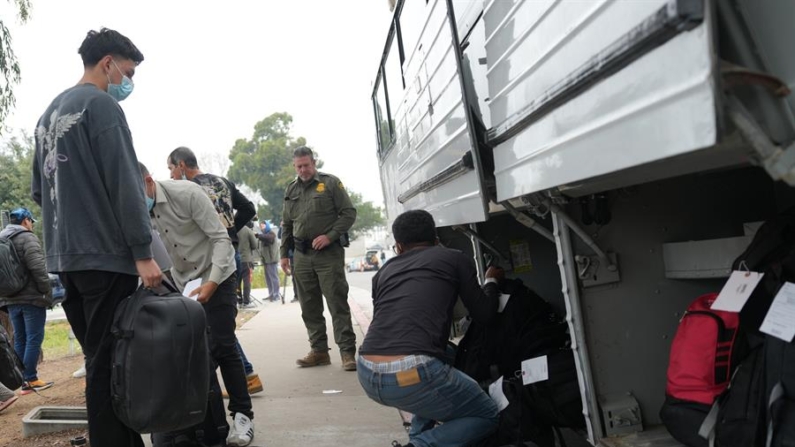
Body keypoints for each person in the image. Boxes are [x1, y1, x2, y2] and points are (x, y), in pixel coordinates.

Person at [31, 28, 161, 447]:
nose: (129, 81)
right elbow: (125, 183)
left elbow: (39, 190)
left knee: (100, 358)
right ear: (108, 63)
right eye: (128, 71)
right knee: (111, 365)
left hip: (66, 259)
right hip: (106, 257)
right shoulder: (101, 106)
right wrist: (142, 252)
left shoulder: (47, 113)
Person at [357, 209, 503, 447]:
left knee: (448, 355)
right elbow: (485, 314)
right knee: (485, 414)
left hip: (367, 373)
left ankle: (417, 436)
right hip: (410, 377)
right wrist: (491, 281)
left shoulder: (383, 272)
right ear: (436, 240)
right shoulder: (454, 258)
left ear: (399, 246)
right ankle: (420, 445)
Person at [139, 163, 254, 447]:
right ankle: (200, 423)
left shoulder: (187, 193)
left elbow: (221, 239)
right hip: (183, 284)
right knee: (191, 353)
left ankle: (243, 416)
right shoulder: (138, 211)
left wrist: (212, 282)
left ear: (149, 181)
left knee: (223, 345)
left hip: (218, 273)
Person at [166, 146, 262, 396]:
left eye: (171, 169)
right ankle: (246, 374)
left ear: (182, 166)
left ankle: (231, 378)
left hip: (209, 259)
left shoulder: (188, 190)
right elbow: (249, 209)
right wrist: (230, 232)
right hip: (231, 255)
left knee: (214, 325)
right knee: (220, 324)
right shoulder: (223, 182)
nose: (172, 177)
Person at [280, 146, 358, 371]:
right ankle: (319, 352)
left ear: (314, 163)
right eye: (298, 166)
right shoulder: (291, 189)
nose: (303, 170)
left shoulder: (331, 183)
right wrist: (284, 254)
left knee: (336, 302)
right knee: (309, 306)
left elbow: (349, 213)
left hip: (328, 255)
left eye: (306, 165)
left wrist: (330, 236)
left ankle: (347, 353)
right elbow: (287, 224)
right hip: (302, 256)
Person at [0, 208, 54, 395]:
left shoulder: (2, 237)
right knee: (34, 338)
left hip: (10, 298)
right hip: (31, 297)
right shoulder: (27, 237)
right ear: (25, 221)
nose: (31, 225)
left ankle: (23, 379)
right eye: (31, 221)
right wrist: (47, 290)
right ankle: (30, 379)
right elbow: (38, 267)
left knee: (20, 338)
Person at [256, 221, 280, 302]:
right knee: (268, 278)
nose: (262, 227)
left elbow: (268, 238)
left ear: (267, 226)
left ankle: (276, 295)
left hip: (271, 259)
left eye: (263, 225)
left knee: (274, 278)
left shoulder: (271, 233)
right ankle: (271, 294)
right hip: (266, 260)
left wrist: (258, 235)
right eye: (261, 226)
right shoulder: (262, 235)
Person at [237, 221, 258, 307]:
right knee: (247, 280)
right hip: (246, 259)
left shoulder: (234, 229)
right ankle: (246, 302)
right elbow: (254, 245)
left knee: (237, 282)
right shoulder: (247, 230)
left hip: (235, 259)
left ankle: (239, 301)